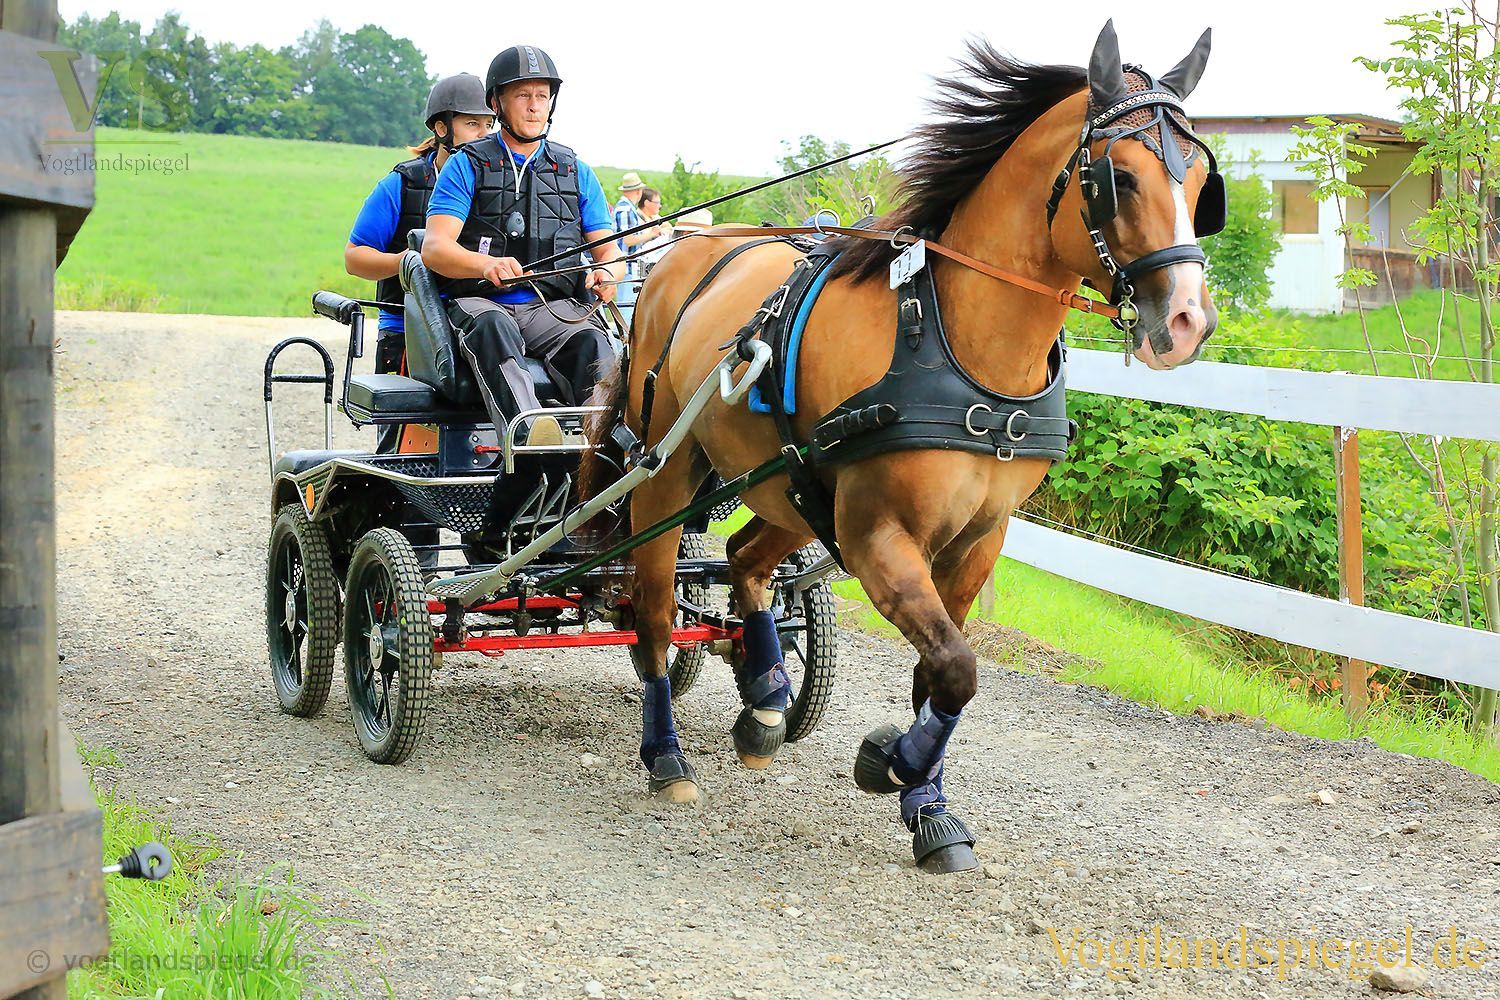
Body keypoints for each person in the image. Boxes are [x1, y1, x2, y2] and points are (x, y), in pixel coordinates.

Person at [422, 45, 620, 445]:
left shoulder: (577, 171)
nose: (534, 107)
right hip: (481, 303)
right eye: (523, 95)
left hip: (553, 309)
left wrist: (608, 273)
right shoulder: (465, 164)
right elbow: (435, 248)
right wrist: (485, 266)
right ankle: (529, 438)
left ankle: (606, 448)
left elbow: (609, 251)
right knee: (493, 328)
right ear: (497, 103)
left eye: (542, 96)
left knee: (592, 341)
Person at [345, 73, 494, 450]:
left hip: (475, 329)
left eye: (489, 124)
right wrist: (409, 264)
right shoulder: (401, 185)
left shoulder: (497, 185)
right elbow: (355, 257)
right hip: (407, 333)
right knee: (399, 449)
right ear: (442, 128)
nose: (484, 134)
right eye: (472, 124)